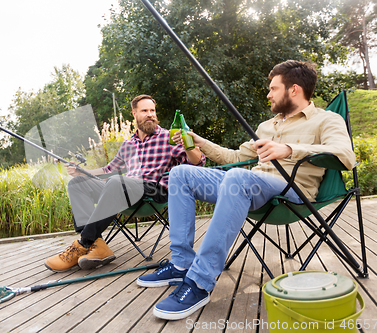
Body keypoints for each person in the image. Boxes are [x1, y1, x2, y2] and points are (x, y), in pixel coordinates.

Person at [136, 60, 356, 320]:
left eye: (273, 88)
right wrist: (198, 141)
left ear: (294, 89)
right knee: (181, 173)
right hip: (248, 186)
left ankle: (200, 281)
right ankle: (181, 262)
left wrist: (289, 150)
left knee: (238, 178)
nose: (268, 94)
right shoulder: (267, 126)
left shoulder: (326, 120)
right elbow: (234, 158)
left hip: (291, 192)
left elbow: (345, 155)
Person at [45, 94, 205, 272]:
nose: (150, 114)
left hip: (155, 191)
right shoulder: (128, 144)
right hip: (124, 191)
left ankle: (83, 243)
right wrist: (80, 171)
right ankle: (98, 246)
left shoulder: (170, 137)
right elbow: (107, 170)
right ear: (134, 114)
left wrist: (188, 144)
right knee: (78, 183)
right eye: (144, 111)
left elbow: (197, 163)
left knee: (117, 182)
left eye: (152, 110)